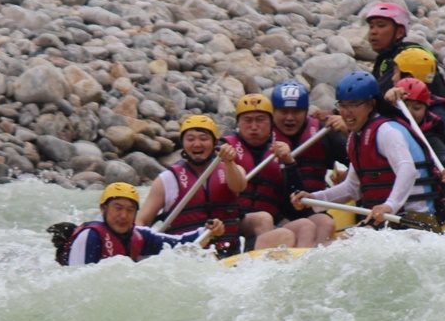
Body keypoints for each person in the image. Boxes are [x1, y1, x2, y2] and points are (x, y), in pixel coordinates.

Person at [291, 71, 438, 227]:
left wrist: (389, 205)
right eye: (343, 105)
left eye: (354, 105)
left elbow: (407, 170)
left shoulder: (387, 131)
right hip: (387, 221)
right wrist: (314, 199)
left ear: (371, 104)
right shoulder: (355, 139)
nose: (347, 112)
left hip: (415, 219)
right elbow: (352, 188)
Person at [137, 114, 245, 258]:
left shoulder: (230, 169)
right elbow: (142, 221)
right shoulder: (167, 180)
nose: (197, 144)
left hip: (228, 254)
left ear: (215, 142)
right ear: (182, 143)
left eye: (204, 138)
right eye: (190, 139)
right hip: (186, 257)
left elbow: (239, 187)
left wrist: (229, 162)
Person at [64, 182, 224, 265]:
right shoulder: (90, 236)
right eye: (118, 208)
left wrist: (208, 231)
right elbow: (76, 282)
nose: (124, 215)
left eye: (130, 210)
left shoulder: (139, 236)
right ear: (103, 209)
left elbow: (179, 244)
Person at [221, 94, 302, 248]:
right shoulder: (225, 148)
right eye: (247, 120)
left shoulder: (281, 149)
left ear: (271, 123)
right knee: (263, 219)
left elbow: (295, 197)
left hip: (273, 217)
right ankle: (265, 256)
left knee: (305, 225)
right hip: (235, 220)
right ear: (238, 123)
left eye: (260, 120)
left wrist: (289, 163)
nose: (254, 126)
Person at [270, 79, 343, 245]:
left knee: (325, 223)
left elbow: (358, 159)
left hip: (311, 207)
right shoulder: (263, 136)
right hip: (277, 212)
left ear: (305, 112)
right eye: (283, 111)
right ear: (273, 112)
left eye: (296, 112)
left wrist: (347, 130)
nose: (289, 118)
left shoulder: (323, 133)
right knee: (305, 226)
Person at [364, 1, 445, 104]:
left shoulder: (411, 59)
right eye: (371, 26)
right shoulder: (386, 58)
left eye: (381, 25)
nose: (373, 32)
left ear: (399, 32)